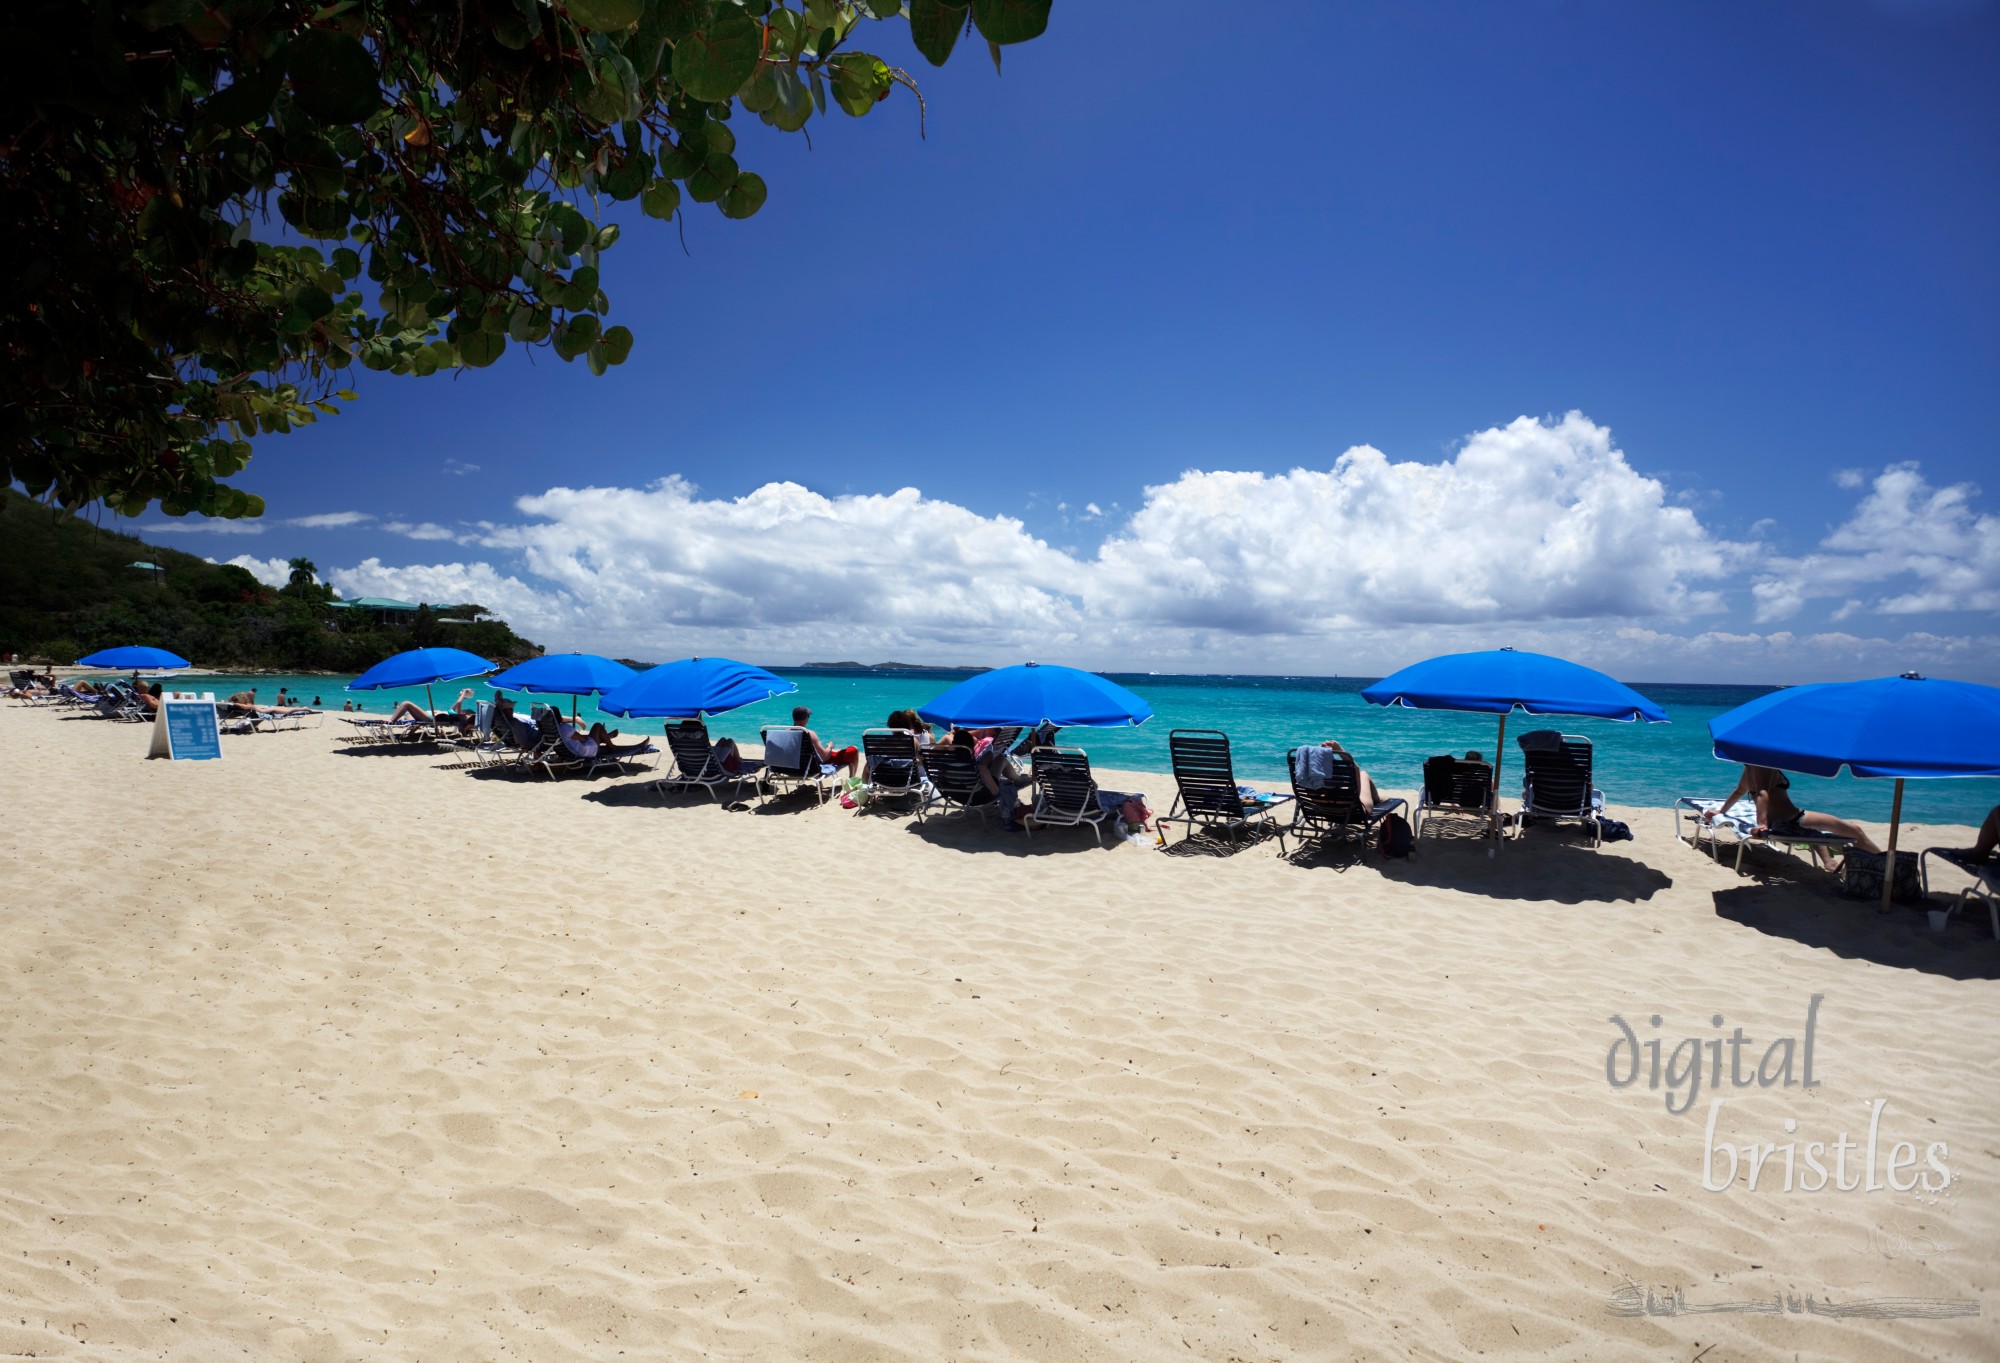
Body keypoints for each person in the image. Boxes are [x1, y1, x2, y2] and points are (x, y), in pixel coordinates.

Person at [1705, 764, 1881, 868]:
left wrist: (1721, 811)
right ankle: (1886, 863)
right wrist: (1762, 824)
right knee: (1856, 831)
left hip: (1784, 821)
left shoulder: (1750, 766)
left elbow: (1739, 791)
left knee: (1818, 831)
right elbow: (1762, 794)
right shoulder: (1763, 764)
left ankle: (1829, 863)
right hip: (1793, 819)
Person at [791, 706, 860, 779]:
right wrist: (829, 747)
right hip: (812, 768)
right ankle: (852, 780)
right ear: (804, 720)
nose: (808, 719)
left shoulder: (786, 733)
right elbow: (824, 757)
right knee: (854, 750)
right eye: (808, 716)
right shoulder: (809, 734)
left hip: (793, 768)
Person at [1318, 739, 1386, 809]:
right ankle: (1377, 799)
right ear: (1340, 776)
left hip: (1328, 812)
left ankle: (1377, 798)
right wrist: (1339, 749)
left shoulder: (1315, 794)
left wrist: (1317, 753)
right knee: (1363, 774)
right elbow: (1354, 768)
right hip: (1355, 811)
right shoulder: (1350, 796)